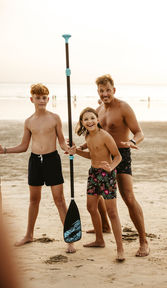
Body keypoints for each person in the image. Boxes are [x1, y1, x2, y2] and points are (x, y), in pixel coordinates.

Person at [0, 83, 75, 253]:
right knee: (34, 200)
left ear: (48, 99)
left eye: (44, 97)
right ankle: (29, 234)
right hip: (35, 161)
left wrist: (67, 148)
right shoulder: (28, 122)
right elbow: (23, 146)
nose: (41, 100)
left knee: (60, 200)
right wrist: (4, 151)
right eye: (38, 97)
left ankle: (70, 239)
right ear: (31, 99)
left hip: (52, 160)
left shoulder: (55, 118)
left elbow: (62, 141)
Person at [82, 75, 149, 257]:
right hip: (102, 156)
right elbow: (93, 135)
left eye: (108, 90)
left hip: (122, 154)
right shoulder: (98, 110)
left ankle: (143, 241)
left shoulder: (123, 107)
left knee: (127, 196)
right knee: (99, 193)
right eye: (101, 91)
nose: (105, 94)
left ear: (114, 90)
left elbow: (139, 132)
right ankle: (104, 226)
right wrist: (77, 147)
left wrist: (133, 141)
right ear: (98, 92)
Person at [70, 107, 125, 261]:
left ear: (98, 119)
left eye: (92, 118)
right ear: (82, 122)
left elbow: (118, 157)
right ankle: (99, 240)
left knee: (112, 212)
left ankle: (120, 248)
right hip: (93, 174)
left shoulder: (105, 136)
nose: (90, 121)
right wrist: (77, 150)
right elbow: (91, 153)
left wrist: (111, 167)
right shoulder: (87, 135)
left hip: (107, 175)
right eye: (86, 119)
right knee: (91, 207)